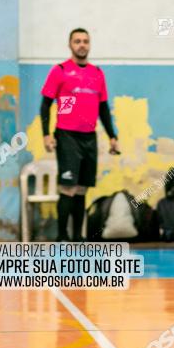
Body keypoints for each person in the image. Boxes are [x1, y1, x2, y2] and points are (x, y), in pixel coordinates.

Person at [40, 28, 118, 242]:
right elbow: (46, 104)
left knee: (82, 188)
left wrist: (112, 136)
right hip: (67, 135)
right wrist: (46, 135)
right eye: (77, 41)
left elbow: (103, 108)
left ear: (89, 44)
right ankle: (62, 235)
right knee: (68, 187)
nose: (82, 45)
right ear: (70, 45)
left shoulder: (97, 73)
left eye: (85, 41)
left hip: (89, 136)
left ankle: (77, 236)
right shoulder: (60, 70)